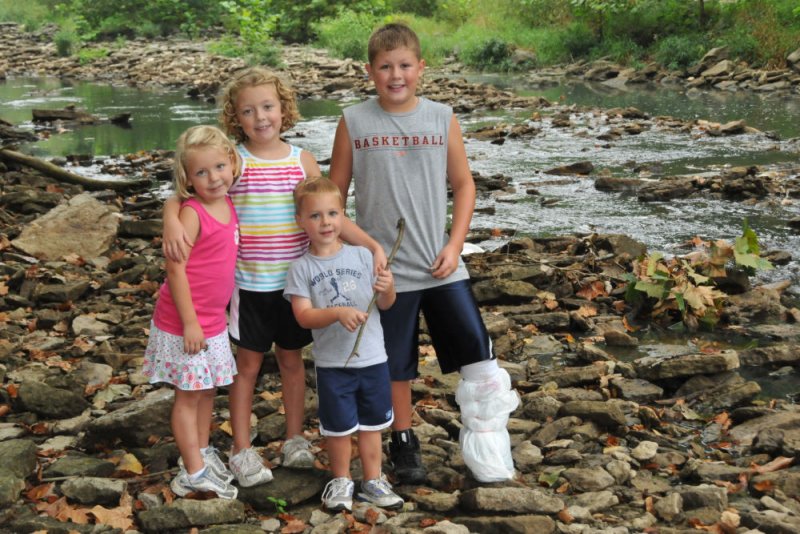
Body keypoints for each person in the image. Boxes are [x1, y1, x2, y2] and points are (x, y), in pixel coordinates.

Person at [162, 67, 385, 487]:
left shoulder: (300, 160)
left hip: (299, 286)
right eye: (249, 111)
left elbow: (329, 211)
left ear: (284, 109)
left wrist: (371, 246)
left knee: (292, 362)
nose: (261, 117)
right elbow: (188, 192)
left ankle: (295, 438)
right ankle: (242, 449)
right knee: (246, 366)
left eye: (268, 106)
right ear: (235, 117)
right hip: (249, 283)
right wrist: (170, 218)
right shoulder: (234, 162)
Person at [329, 23, 519, 485]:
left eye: (405, 65)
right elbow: (333, 200)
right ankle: (403, 440)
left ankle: (488, 444)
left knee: (477, 352)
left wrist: (455, 244)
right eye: (385, 67)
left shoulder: (441, 117)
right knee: (396, 363)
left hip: (441, 264)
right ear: (370, 71)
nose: (396, 75)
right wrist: (370, 248)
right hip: (385, 272)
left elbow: (464, 184)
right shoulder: (354, 121)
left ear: (421, 68)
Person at [284, 177, 403, 511]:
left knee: (373, 424)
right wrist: (336, 313)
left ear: (343, 216)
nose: (326, 222)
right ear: (300, 221)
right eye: (316, 216)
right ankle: (341, 480)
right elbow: (303, 317)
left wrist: (387, 286)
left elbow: (387, 304)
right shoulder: (301, 268)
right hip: (334, 363)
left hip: (373, 358)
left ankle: (373, 480)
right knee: (338, 427)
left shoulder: (364, 257)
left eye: (333, 213)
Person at [143, 125, 241, 499]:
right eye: (201, 172)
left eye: (219, 167)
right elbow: (175, 269)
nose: (213, 177)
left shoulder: (227, 201)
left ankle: (198, 453)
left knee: (207, 389)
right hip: (186, 321)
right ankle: (193, 474)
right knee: (188, 395)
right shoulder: (193, 212)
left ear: (231, 162)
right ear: (188, 178)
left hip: (213, 320)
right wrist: (189, 322)